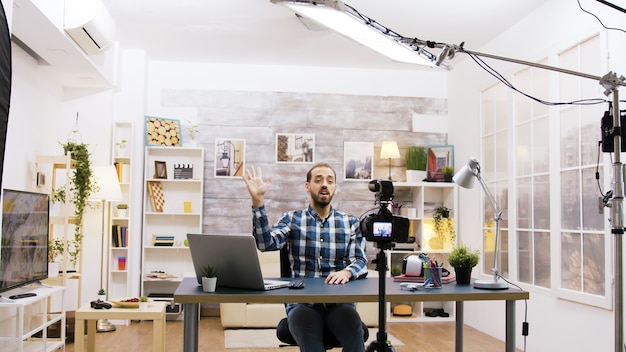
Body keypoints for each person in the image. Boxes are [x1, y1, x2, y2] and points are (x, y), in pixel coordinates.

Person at [242, 163, 368, 352]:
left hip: (340, 303)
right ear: (307, 186)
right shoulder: (291, 219)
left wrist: (347, 272)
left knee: (355, 342)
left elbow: (360, 260)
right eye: (318, 180)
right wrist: (258, 201)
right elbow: (265, 244)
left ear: (335, 188)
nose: (324, 184)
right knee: (311, 345)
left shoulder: (350, 222)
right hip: (302, 304)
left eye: (329, 180)